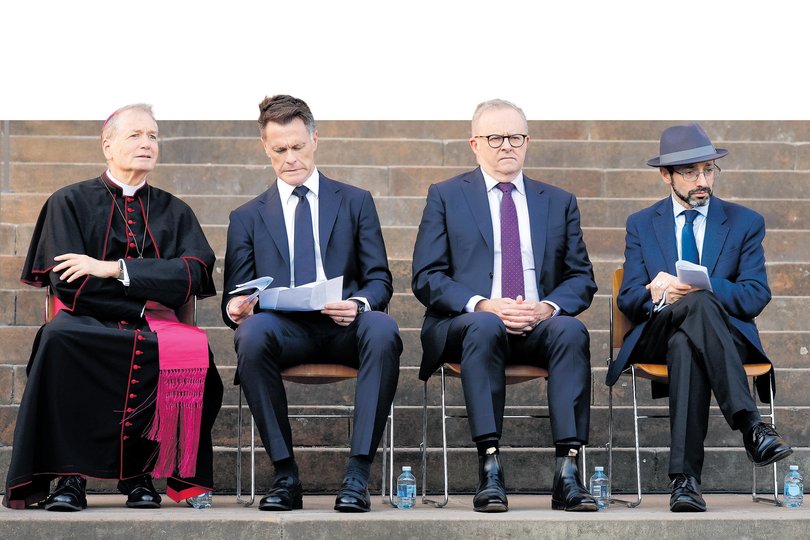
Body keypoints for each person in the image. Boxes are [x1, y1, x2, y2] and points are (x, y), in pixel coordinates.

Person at [3, 104, 223, 511]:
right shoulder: (67, 202)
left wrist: (114, 269)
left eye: (153, 136)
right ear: (108, 145)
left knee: (196, 353)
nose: (147, 143)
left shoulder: (176, 211)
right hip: (85, 320)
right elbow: (71, 284)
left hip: (154, 327)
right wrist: (153, 291)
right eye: (136, 135)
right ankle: (69, 478)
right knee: (58, 339)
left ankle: (141, 475)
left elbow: (194, 274)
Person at [411, 99, 598, 512]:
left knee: (571, 330)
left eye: (515, 137)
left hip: (537, 324)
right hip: (469, 327)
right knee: (485, 326)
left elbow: (582, 278)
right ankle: (489, 468)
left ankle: (568, 472)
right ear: (474, 143)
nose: (506, 146)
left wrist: (547, 307)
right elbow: (426, 277)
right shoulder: (445, 196)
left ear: (527, 141)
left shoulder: (558, 201)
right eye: (495, 137)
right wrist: (482, 305)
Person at [222, 94, 401, 513]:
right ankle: (285, 475)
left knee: (384, 328)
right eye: (280, 149)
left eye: (298, 147)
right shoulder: (246, 217)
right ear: (265, 148)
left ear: (315, 139)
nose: (290, 158)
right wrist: (236, 309)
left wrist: (357, 303)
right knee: (251, 334)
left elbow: (380, 279)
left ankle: (358, 475)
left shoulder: (355, 201)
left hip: (344, 326)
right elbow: (235, 295)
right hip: (284, 331)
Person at [606, 123, 793, 512]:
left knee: (689, 337)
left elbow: (756, 295)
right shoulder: (642, 223)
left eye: (708, 170)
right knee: (688, 318)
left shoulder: (744, 222)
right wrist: (655, 292)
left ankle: (685, 482)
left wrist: (707, 288)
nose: (702, 180)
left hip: (720, 335)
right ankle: (751, 427)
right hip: (657, 328)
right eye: (690, 172)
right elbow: (628, 298)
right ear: (666, 175)